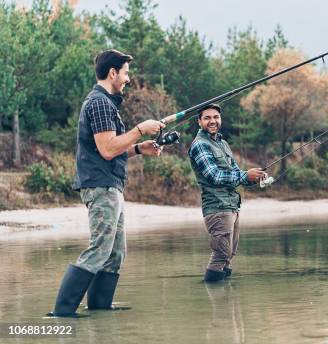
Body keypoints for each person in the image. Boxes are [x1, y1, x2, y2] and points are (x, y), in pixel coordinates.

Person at [51, 49, 165, 317]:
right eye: (125, 72)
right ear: (112, 73)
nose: (128, 78)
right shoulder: (100, 103)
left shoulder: (107, 104)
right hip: (100, 186)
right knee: (100, 247)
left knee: (115, 252)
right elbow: (107, 149)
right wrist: (139, 129)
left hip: (110, 184)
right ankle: (62, 313)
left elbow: (110, 146)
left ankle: (100, 308)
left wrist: (138, 148)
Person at [188, 104, 265, 282]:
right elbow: (214, 176)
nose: (212, 121)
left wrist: (255, 178)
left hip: (231, 206)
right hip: (217, 208)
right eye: (207, 118)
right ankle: (212, 298)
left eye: (216, 117)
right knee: (221, 255)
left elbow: (236, 173)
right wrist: (246, 175)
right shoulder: (200, 145)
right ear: (199, 122)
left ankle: (225, 302)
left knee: (229, 255)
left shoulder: (222, 143)